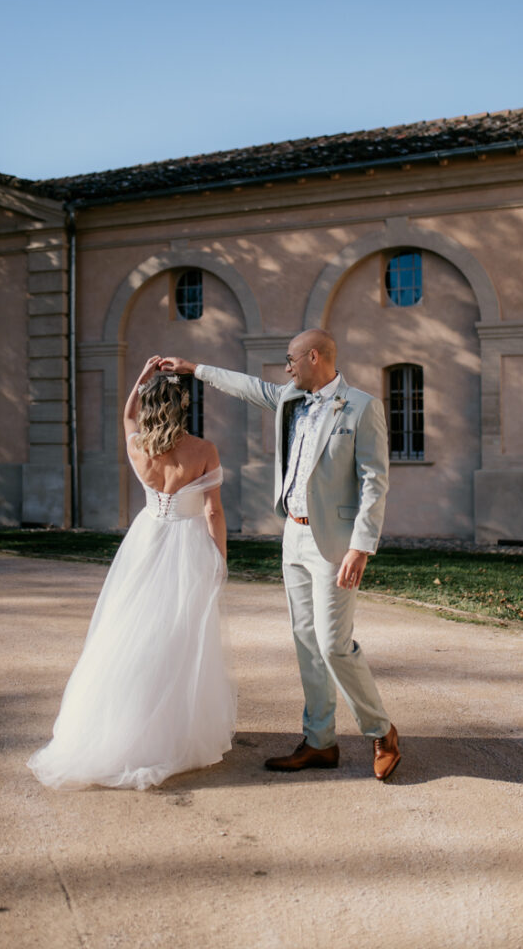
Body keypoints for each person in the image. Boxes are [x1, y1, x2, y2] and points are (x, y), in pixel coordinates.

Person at [161, 329, 400, 782]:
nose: (286, 368)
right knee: (307, 643)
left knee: (333, 644)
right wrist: (195, 369)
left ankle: (382, 732)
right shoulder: (291, 398)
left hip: (335, 544)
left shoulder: (363, 407)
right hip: (294, 536)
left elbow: (375, 481)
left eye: (291, 360)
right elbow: (249, 387)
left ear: (313, 356)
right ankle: (319, 742)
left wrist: (361, 546)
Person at [27, 356, 236, 790]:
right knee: (181, 634)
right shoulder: (203, 450)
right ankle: (169, 731)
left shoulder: (138, 444)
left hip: (146, 540)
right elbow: (214, 511)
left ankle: (122, 725)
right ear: (181, 408)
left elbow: (125, 414)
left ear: (148, 408)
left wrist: (141, 378)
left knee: (131, 629)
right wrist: (220, 558)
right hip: (187, 545)